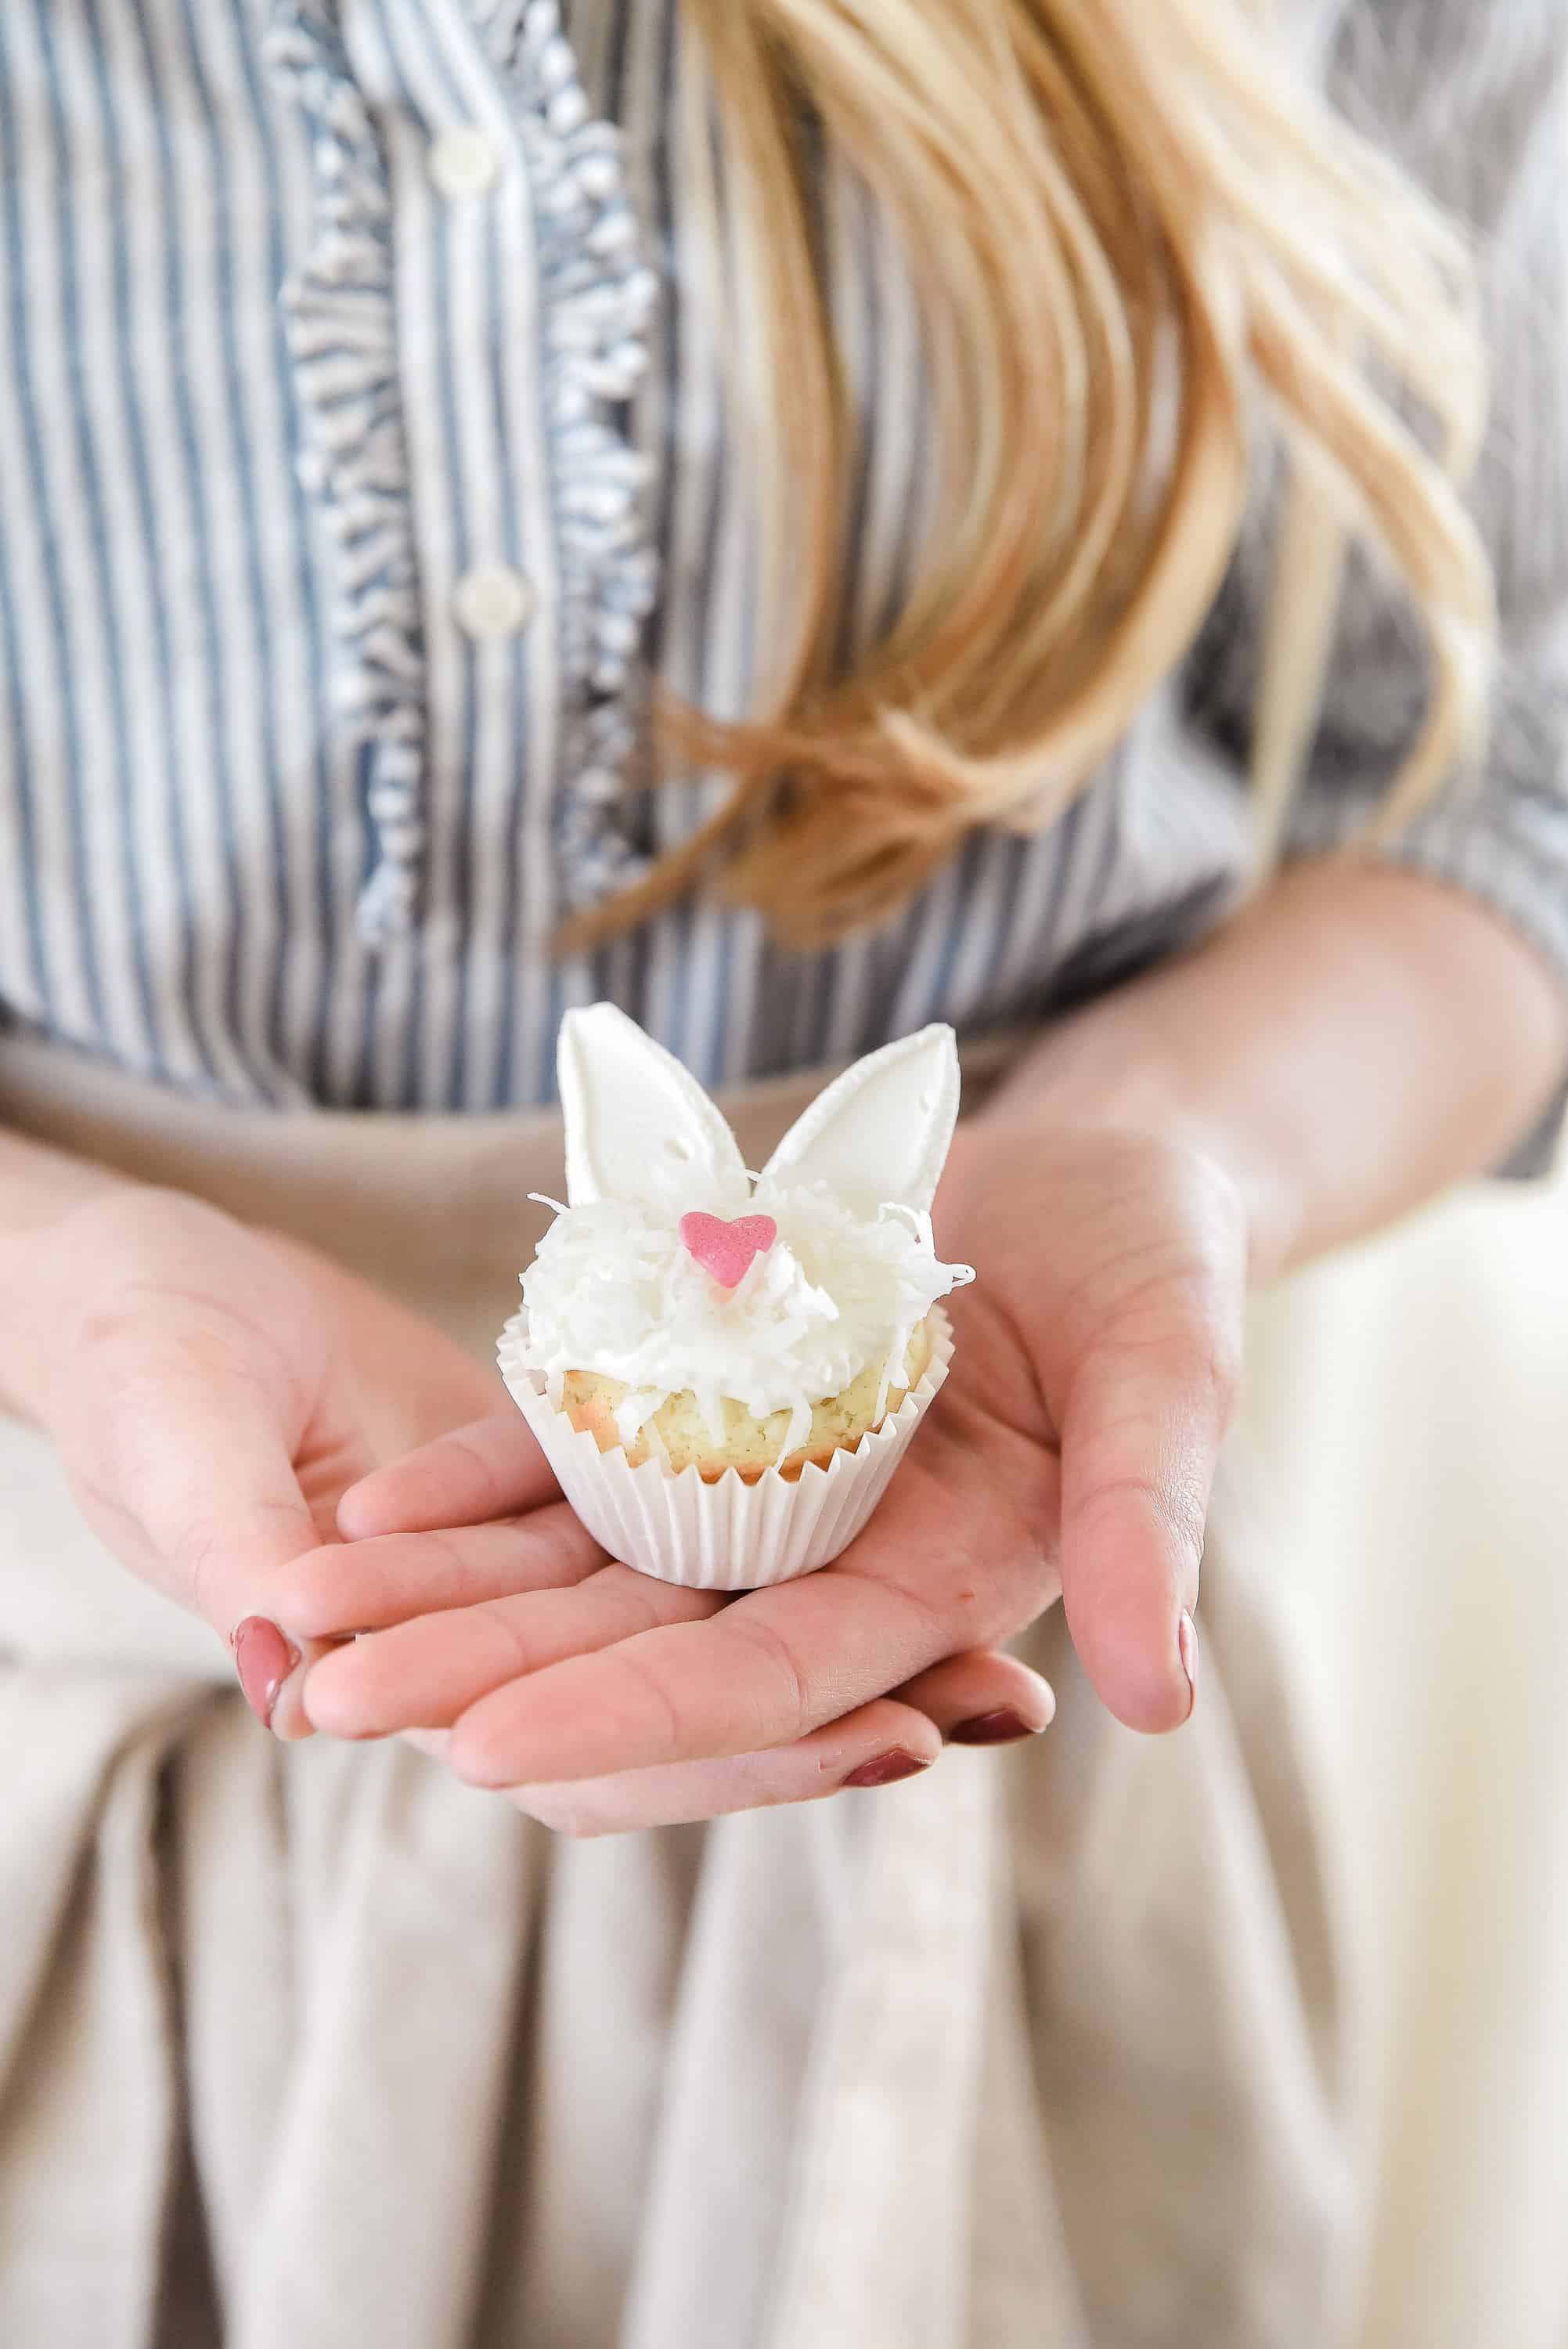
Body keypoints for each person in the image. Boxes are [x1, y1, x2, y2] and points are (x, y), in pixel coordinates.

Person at [0, 1, 1564, 2341]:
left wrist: (1159, 1141)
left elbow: (1510, 766)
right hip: (74, 1776)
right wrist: (50, 1270)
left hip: (971, 1752)